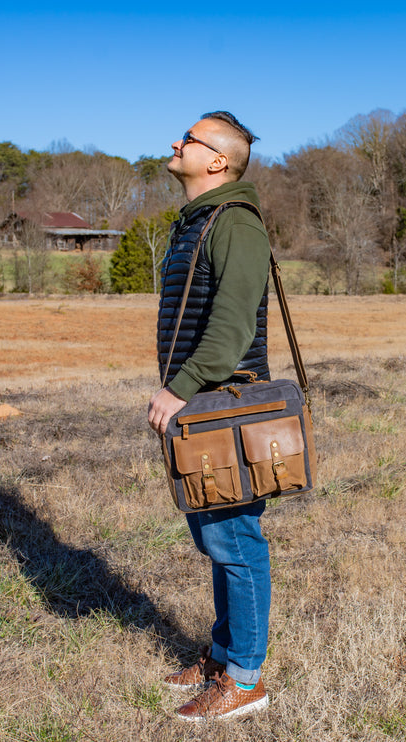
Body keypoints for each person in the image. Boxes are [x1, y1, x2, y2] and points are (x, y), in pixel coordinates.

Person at [147, 111, 272, 722]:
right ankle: (224, 654)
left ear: (217, 161)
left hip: (223, 406)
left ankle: (245, 679)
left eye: (189, 138)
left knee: (236, 540)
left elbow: (231, 327)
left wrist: (181, 388)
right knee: (214, 537)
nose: (176, 142)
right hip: (203, 405)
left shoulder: (236, 225)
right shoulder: (199, 222)